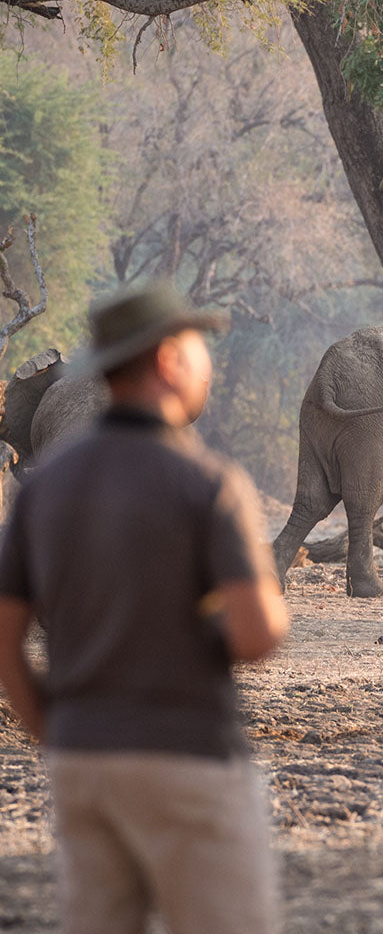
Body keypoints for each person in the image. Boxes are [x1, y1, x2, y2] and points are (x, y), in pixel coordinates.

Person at [0, 281, 289, 934]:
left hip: (80, 760)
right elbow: (257, 634)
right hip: (184, 753)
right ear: (167, 360)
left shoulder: (42, 488)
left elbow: (5, 636)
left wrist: (50, 728)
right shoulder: (207, 482)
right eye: (197, 345)